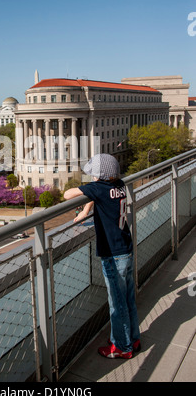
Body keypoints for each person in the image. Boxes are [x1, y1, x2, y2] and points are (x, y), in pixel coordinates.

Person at [64, 153, 140, 359]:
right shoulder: (119, 185)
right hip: (126, 248)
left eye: (94, 175)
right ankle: (132, 337)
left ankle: (122, 347)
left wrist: (86, 193)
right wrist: (86, 210)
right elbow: (97, 197)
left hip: (113, 254)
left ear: (99, 176)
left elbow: (67, 195)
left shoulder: (98, 188)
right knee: (128, 299)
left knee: (117, 303)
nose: (92, 178)